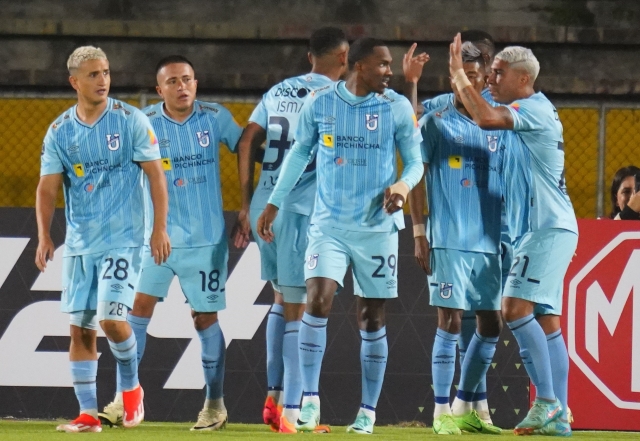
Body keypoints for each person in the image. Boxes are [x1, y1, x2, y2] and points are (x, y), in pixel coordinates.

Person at [257, 37, 423, 435]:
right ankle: (310, 400)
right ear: (359, 66)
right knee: (317, 299)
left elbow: (416, 162)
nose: (390, 72)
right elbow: (299, 153)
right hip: (328, 225)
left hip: (377, 229)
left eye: (390, 65)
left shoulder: (396, 107)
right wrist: (275, 202)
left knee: (371, 317)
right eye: (382, 64)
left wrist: (402, 187)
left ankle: (367, 411)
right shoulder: (321, 103)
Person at [98, 55, 242, 431]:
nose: (182, 87)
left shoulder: (216, 117)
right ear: (159, 89)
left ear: (196, 82)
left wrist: (249, 204)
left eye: (188, 79)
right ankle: (125, 398)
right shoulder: (141, 123)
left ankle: (215, 405)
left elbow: (247, 145)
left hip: (205, 242)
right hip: (155, 238)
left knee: (204, 318)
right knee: (135, 310)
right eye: (173, 82)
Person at [449, 33, 579, 436]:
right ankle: (560, 416)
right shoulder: (529, 110)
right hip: (545, 229)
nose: (490, 78)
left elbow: (486, 118)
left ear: (523, 79)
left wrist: (460, 77)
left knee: (513, 308)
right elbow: (481, 117)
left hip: (545, 229)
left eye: (498, 73)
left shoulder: (532, 110)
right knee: (547, 321)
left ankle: (547, 403)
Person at [35, 46, 170, 433]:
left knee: (111, 319)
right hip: (81, 243)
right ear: (74, 82)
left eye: (106, 72)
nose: (103, 80)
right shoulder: (60, 131)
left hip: (124, 239)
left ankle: (131, 389)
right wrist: (44, 236)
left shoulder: (130, 120)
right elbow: (47, 187)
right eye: (94, 74)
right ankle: (88, 415)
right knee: (80, 328)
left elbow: (156, 175)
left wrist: (159, 228)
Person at [232, 26, 349, 433]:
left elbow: (247, 141)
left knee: (281, 299)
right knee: (301, 308)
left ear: (310, 56)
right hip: (300, 209)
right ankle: (295, 411)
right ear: (344, 58)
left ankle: (275, 397)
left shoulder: (278, 91)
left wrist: (245, 203)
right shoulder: (337, 98)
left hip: (264, 206)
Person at [404, 30, 506, 430]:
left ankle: (467, 404)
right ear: (453, 78)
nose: (468, 82)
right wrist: (419, 232)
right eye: (461, 75)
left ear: (484, 79)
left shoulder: (498, 119)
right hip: (448, 238)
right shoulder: (436, 120)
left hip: (490, 241)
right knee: (448, 321)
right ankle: (441, 411)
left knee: (491, 324)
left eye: (475, 76)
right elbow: (415, 173)